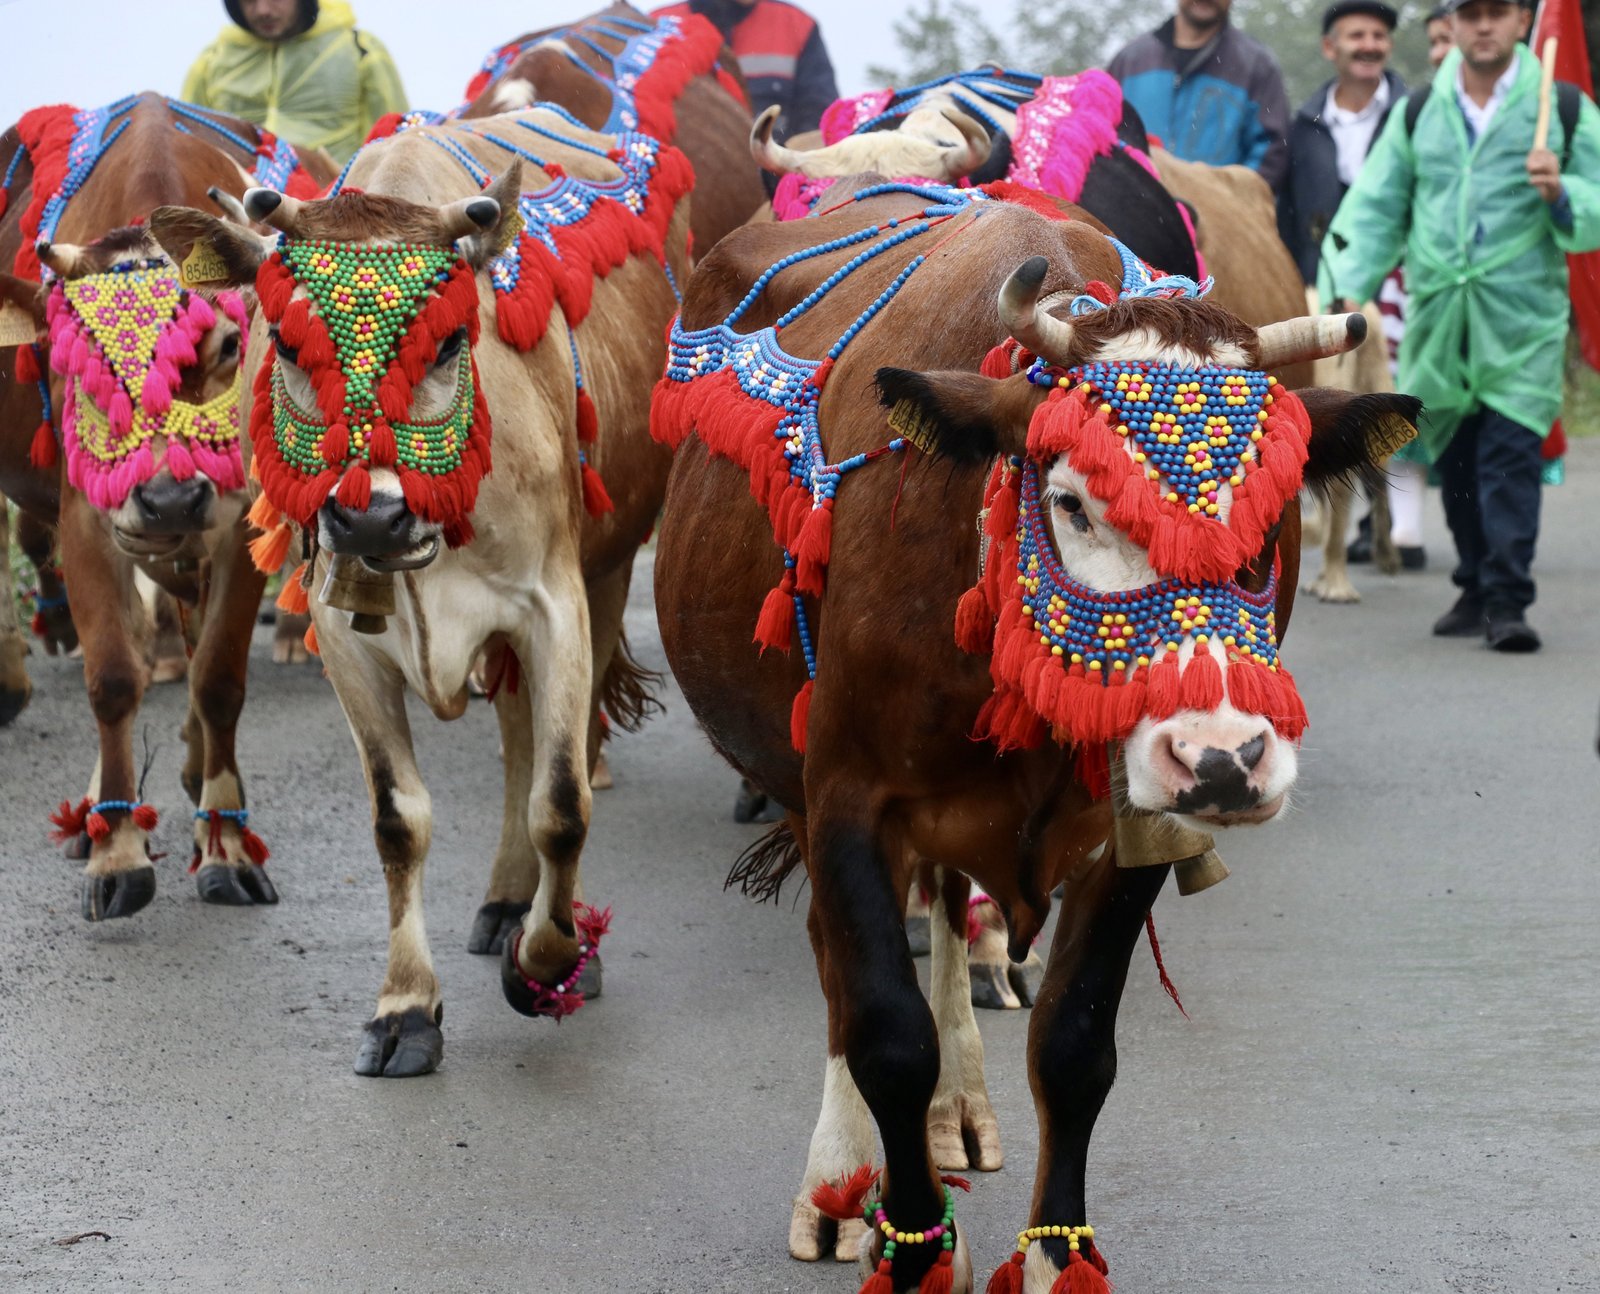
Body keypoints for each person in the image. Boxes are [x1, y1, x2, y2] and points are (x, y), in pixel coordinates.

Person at [1320, 0, 1600, 651]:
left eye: (1497, 12)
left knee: (1508, 457)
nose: (1483, 26)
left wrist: (1565, 194)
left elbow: (1597, 193)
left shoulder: (1558, 107)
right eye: (1470, 12)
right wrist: (1345, 286)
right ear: (1454, 21)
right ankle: (1473, 585)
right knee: (1459, 460)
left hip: (1521, 324)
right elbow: (1378, 202)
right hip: (1439, 320)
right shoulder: (1419, 111)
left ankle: (1508, 597)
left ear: (1520, 22)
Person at [183, 0, 407, 164]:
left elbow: (396, 141)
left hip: (333, 206)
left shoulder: (358, 49)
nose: (263, 10)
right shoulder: (211, 62)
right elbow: (188, 142)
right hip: (236, 208)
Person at [1278, 2, 1405, 285]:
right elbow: (1288, 216)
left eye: (1379, 36)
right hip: (1319, 289)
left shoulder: (1413, 117)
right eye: (1357, 35)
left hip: (1396, 293)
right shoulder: (1303, 127)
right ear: (1329, 47)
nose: (1369, 45)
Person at [1108, 0, 1291, 191]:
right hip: (1128, 211)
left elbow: (1271, 155)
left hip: (1216, 217)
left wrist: (1224, 204)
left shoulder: (1257, 67)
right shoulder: (1129, 61)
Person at [653, 0, 838, 140]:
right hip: (680, 182)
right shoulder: (655, 26)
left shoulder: (797, 25)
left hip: (776, 182)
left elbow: (821, 120)